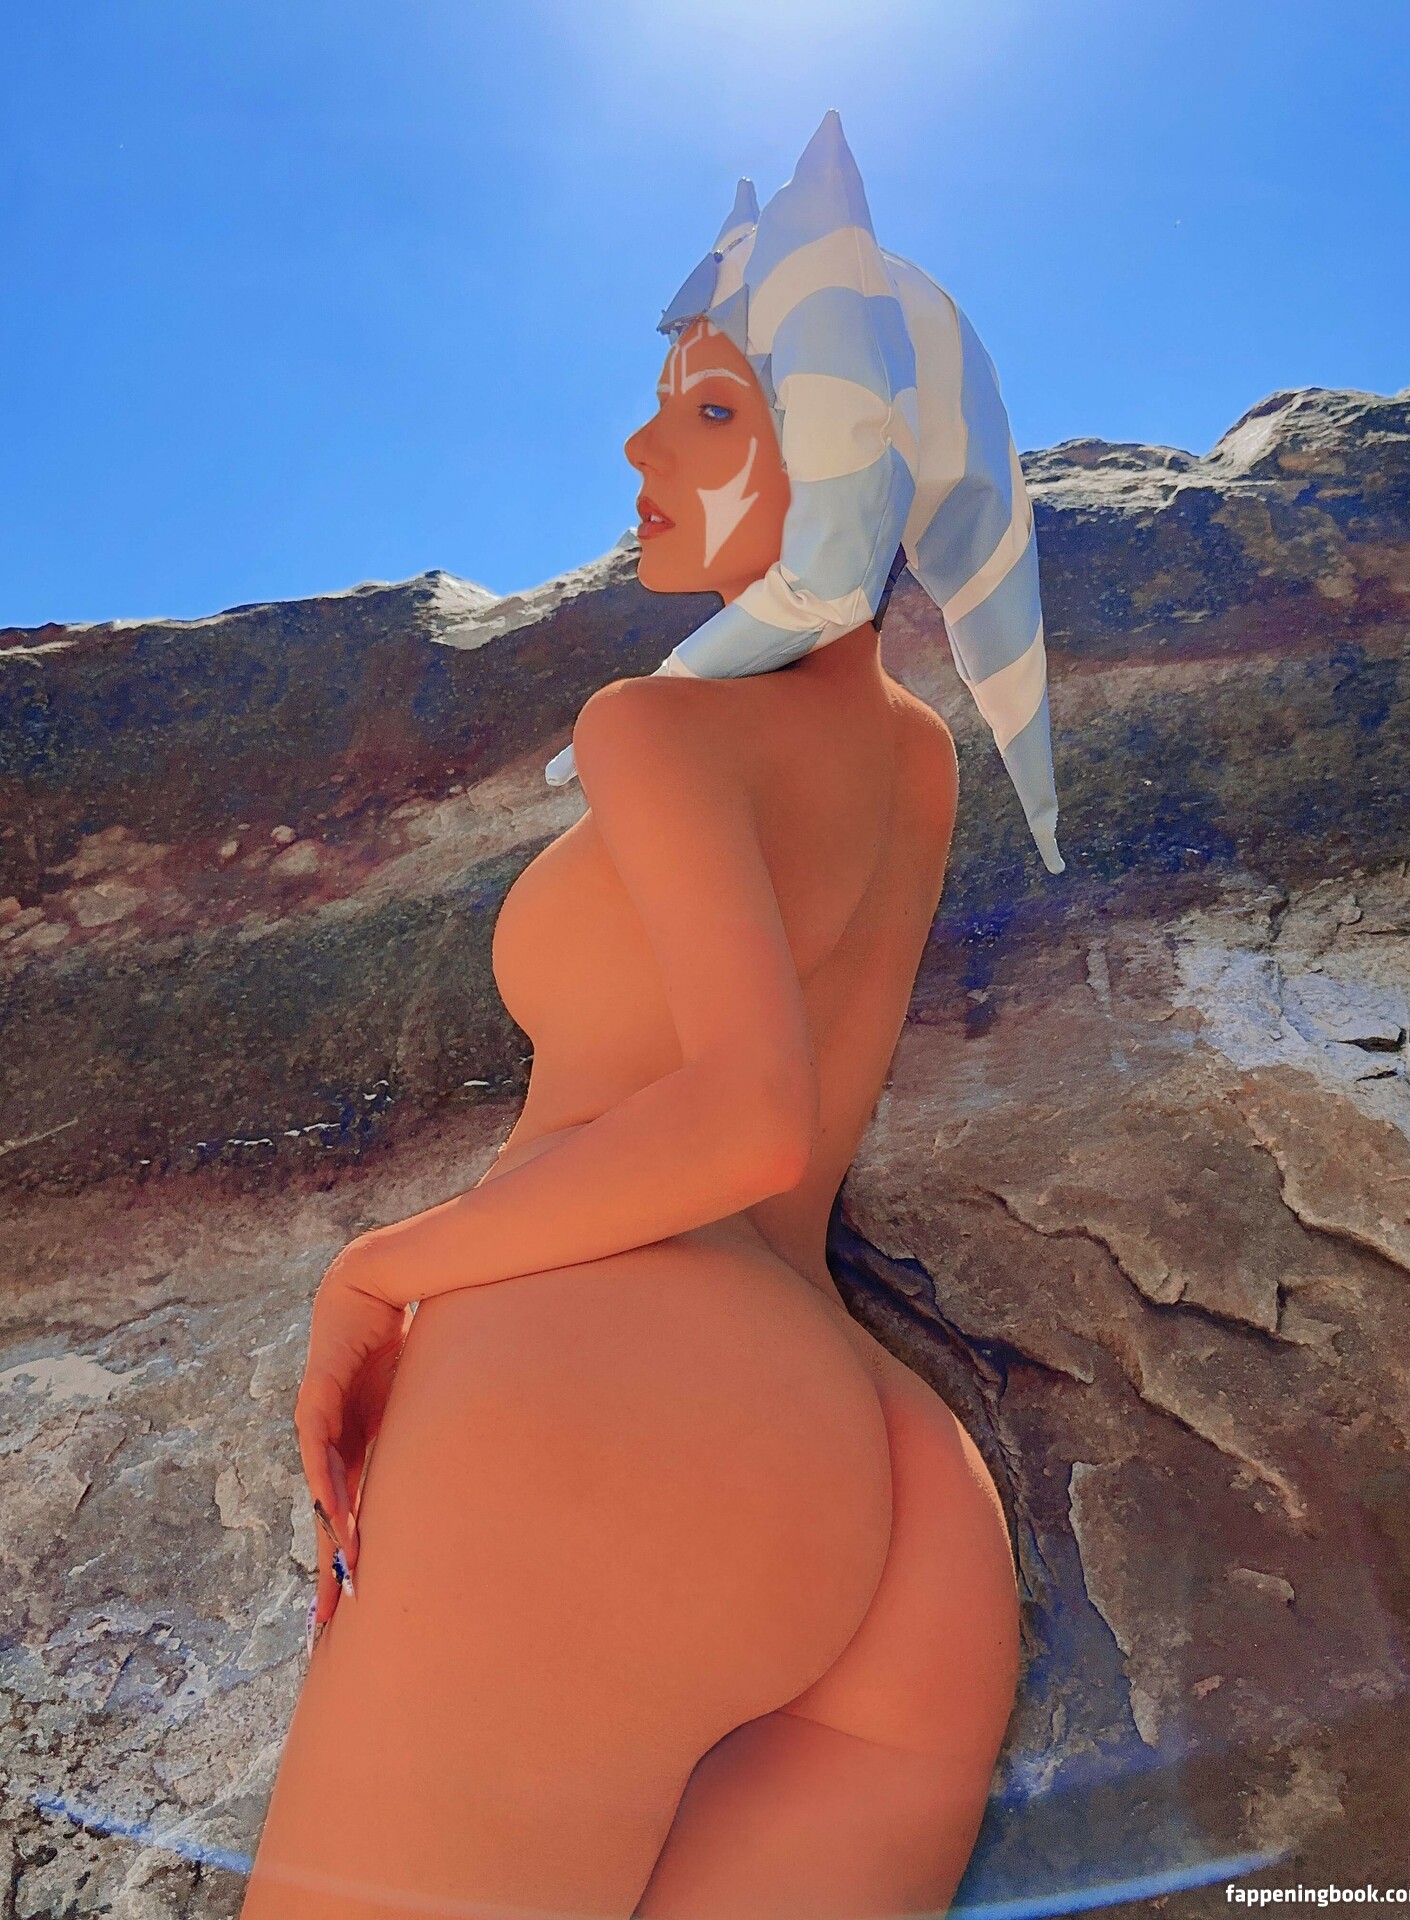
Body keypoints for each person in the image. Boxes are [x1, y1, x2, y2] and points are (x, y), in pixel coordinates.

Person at [242, 113, 1061, 1920]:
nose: (639, 447)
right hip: (895, 1491)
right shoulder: (919, 761)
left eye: (709, 411)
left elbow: (746, 1117)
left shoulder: (654, 729)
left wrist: (380, 1270)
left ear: (840, 451)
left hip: (610, 1398)